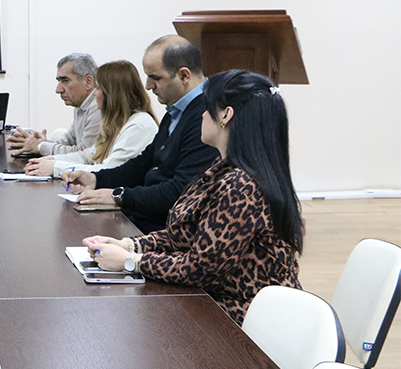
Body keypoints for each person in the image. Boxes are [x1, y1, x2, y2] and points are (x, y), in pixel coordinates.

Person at [83, 70, 304, 324]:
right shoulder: (223, 169)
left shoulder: (240, 185)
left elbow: (201, 269)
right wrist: (130, 245)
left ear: (225, 116)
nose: (200, 115)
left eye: (206, 108)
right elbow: (186, 233)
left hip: (246, 321)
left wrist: (131, 262)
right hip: (214, 303)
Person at [64, 36, 219, 233]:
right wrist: (96, 179)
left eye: (155, 77)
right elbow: (143, 163)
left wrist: (119, 196)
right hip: (149, 221)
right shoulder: (175, 113)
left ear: (184, 76)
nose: (148, 85)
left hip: (165, 231)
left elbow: (181, 190)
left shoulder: (205, 116)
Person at [25, 60, 157, 177]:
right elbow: (91, 155)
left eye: (98, 88)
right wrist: (52, 160)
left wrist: (56, 167)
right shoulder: (120, 122)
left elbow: (110, 171)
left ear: (113, 94)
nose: (94, 93)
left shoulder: (138, 125)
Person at [7, 53, 100, 157]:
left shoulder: (98, 106)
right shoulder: (81, 103)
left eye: (65, 81)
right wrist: (42, 141)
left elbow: (85, 154)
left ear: (88, 82)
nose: (58, 90)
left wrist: (40, 146)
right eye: (59, 81)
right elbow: (69, 140)